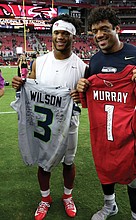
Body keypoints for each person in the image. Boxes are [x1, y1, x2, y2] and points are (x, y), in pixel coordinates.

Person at [77, 6, 136, 220]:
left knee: (133, 177)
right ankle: (110, 205)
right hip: (103, 130)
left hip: (131, 130)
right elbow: (85, 89)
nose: (99, 35)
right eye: (94, 31)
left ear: (117, 29)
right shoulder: (94, 61)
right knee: (105, 168)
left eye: (104, 29)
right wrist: (82, 88)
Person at [12, 14, 87, 220]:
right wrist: (21, 85)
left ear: (73, 37)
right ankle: (45, 199)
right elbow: (31, 90)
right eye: (56, 33)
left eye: (65, 33)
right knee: (43, 162)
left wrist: (80, 97)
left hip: (69, 124)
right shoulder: (40, 62)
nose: (60, 37)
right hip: (43, 123)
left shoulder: (82, 67)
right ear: (52, 36)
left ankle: (67, 196)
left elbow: (87, 99)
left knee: (68, 163)